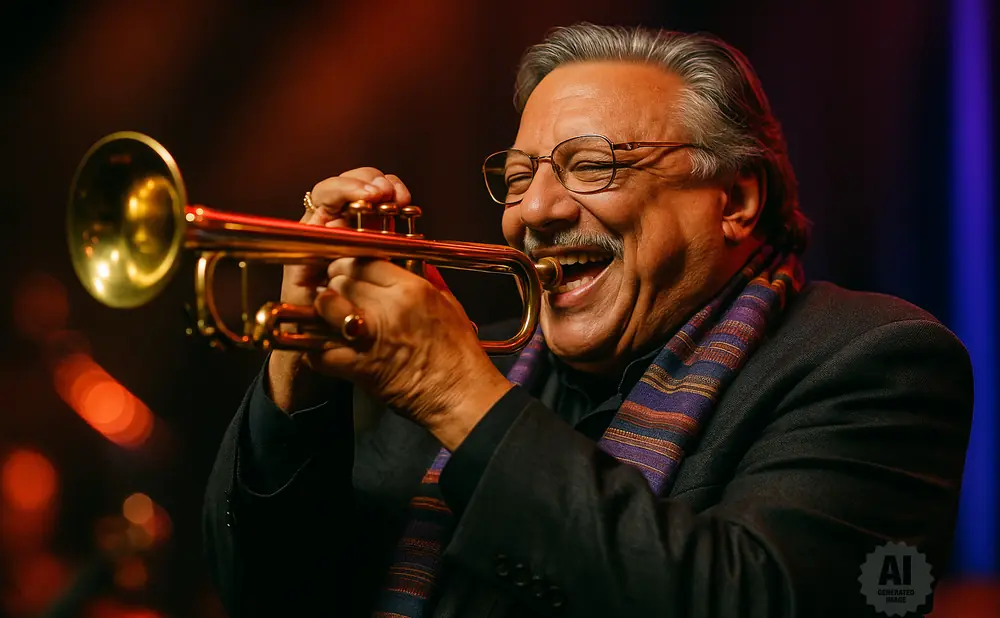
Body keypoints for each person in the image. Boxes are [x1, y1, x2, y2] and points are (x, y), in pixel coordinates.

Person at [202, 23, 973, 618]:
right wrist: (295, 391)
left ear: (734, 200)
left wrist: (455, 394)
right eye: (517, 175)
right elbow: (270, 597)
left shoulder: (877, 361)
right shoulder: (476, 371)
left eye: (593, 165)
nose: (534, 211)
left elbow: (749, 600)